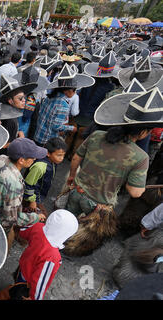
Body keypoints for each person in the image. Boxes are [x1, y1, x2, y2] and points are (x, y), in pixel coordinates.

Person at [62, 88, 160, 256]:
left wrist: (71, 178)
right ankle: (67, 253)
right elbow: (135, 192)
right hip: (98, 205)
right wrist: (141, 187)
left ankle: (57, 242)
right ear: (143, 132)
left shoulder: (97, 135)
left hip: (76, 191)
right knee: (82, 233)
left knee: (67, 221)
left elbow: (76, 159)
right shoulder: (140, 157)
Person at [0, 138, 48, 250]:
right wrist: (36, 217)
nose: (35, 159)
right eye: (32, 157)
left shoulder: (1, 158)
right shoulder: (14, 184)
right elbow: (12, 218)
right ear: (21, 160)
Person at [9, 209, 78, 300]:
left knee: (16, 284)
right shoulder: (53, 257)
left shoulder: (38, 227)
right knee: (18, 295)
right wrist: (34, 298)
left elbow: (22, 231)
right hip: (27, 283)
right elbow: (40, 281)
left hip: (22, 267)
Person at [34, 64, 94, 146]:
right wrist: (71, 128)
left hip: (38, 133)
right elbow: (56, 126)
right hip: (47, 138)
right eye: (74, 90)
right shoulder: (63, 105)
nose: (74, 93)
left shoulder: (50, 97)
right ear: (68, 90)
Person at [24, 137, 67, 216]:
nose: (62, 158)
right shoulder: (40, 167)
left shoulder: (53, 162)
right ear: (48, 153)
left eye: (63, 155)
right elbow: (28, 184)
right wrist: (32, 201)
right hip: (31, 198)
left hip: (39, 196)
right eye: (59, 155)